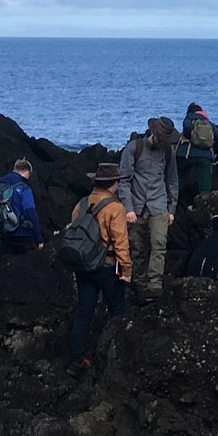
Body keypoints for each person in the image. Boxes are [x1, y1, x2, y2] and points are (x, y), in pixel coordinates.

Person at [66, 161, 131, 375]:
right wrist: (126, 272)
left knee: (84, 313)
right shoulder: (116, 208)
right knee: (117, 313)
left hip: (83, 265)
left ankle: (76, 360)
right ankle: (116, 357)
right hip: (107, 266)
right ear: (114, 183)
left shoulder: (81, 204)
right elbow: (120, 243)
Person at [119, 116, 179, 298]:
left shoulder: (169, 152)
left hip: (159, 204)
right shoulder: (133, 148)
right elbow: (124, 181)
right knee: (137, 248)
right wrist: (128, 208)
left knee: (159, 244)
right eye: (162, 139)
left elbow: (172, 181)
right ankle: (139, 283)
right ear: (153, 133)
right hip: (136, 205)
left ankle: (155, 284)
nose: (163, 143)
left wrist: (171, 210)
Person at [0, 159, 43, 253]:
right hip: (21, 234)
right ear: (26, 172)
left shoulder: (0, 184)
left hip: (2, 231)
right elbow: (30, 213)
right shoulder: (23, 187)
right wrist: (39, 239)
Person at [177, 104, 218, 203]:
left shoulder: (188, 120)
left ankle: (179, 201)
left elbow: (186, 129)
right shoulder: (208, 123)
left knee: (179, 177)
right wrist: (214, 151)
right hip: (204, 157)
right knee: (205, 184)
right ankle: (204, 204)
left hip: (186, 155)